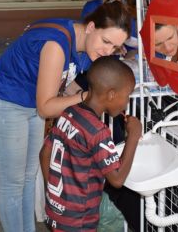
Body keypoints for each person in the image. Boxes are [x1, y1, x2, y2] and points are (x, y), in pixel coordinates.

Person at [0, 0, 131, 232]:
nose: (107, 51)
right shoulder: (57, 45)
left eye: (114, 48)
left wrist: (86, 96)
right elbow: (46, 108)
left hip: (29, 103)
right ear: (91, 27)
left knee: (29, 177)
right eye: (106, 41)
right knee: (13, 184)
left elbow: (65, 79)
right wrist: (85, 98)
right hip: (6, 104)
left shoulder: (84, 45)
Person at [40, 56, 142, 231]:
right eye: (127, 96)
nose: (127, 102)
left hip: (56, 212)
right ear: (111, 94)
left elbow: (44, 154)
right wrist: (133, 136)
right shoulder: (98, 131)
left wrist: (54, 195)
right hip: (79, 221)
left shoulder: (69, 113)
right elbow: (117, 179)